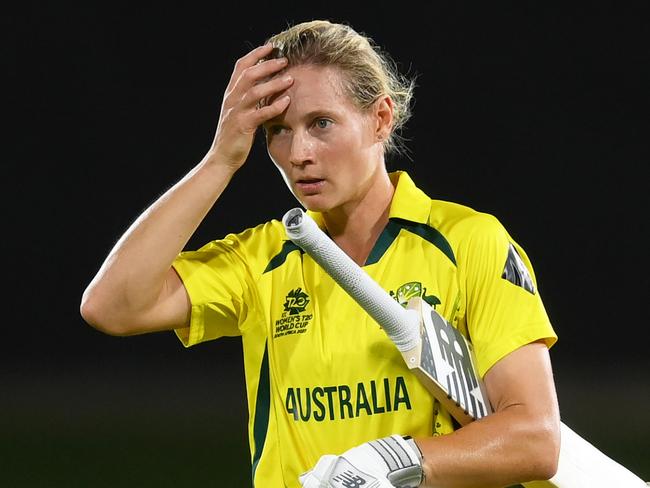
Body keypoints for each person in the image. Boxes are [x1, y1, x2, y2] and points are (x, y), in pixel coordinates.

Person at [80, 19, 562, 487]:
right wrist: (220, 160)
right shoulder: (262, 260)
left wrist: (395, 460)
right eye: (278, 131)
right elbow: (112, 307)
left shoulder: (468, 242)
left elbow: (535, 439)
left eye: (321, 123)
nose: (298, 154)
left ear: (380, 119)